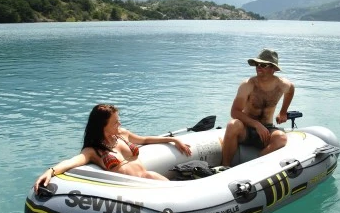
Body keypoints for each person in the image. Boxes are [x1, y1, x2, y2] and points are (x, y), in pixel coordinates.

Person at [34, 104, 192, 193]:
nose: (119, 124)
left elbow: (145, 140)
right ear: (103, 126)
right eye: (115, 122)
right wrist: (50, 171)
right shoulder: (93, 150)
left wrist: (174, 140)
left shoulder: (122, 134)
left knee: (180, 194)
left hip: (149, 178)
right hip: (132, 191)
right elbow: (72, 162)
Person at [221, 49, 295, 167]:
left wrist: (283, 112)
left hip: (267, 130)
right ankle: (225, 166)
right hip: (246, 128)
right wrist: (256, 124)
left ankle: (255, 164)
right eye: (257, 64)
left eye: (263, 65)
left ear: (273, 68)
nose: (259, 67)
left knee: (281, 138)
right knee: (232, 124)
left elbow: (291, 90)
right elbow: (235, 112)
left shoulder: (282, 85)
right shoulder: (247, 85)